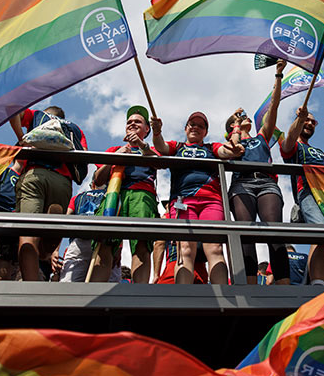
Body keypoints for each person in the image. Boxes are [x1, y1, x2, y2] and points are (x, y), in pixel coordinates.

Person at [151, 111, 244, 284]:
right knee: (184, 249)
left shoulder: (211, 147)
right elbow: (162, 147)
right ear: (186, 128)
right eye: (192, 124)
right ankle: (183, 298)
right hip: (182, 201)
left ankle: (223, 299)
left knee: (215, 249)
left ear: (205, 132)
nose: (195, 127)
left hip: (212, 201)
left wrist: (233, 146)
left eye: (201, 126)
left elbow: (224, 152)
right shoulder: (177, 147)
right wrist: (157, 132)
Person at [226, 59, 290, 284]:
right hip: (241, 183)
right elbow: (230, 150)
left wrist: (278, 76)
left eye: (244, 119)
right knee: (246, 233)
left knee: (275, 232)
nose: (243, 120)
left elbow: (274, 106)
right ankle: (250, 285)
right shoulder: (230, 142)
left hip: (266, 183)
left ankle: (283, 284)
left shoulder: (261, 136)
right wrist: (234, 124)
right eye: (238, 120)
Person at [9, 105, 87, 281]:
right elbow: (83, 159)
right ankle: (49, 242)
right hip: (62, 181)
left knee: (28, 234)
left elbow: (12, 111)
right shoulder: (75, 128)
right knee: (45, 249)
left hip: (35, 173)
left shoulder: (36, 115)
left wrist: (21, 139)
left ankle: (30, 285)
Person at [280, 103, 324, 287]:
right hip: (307, 193)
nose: (309, 123)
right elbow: (287, 144)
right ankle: (315, 284)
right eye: (306, 120)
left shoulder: (318, 152)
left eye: (313, 122)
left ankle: (316, 283)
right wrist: (299, 119)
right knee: (320, 230)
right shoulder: (294, 146)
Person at [91, 106, 158, 283]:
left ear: (146, 129)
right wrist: (115, 157)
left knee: (142, 244)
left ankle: (140, 294)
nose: (132, 124)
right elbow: (98, 180)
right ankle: (96, 290)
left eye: (138, 121)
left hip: (142, 195)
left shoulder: (148, 149)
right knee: (105, 243)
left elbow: (160, 163)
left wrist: (142, 145)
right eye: (129, 122)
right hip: (114, 195)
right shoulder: (114, 148)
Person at [59, 179, 106, 282]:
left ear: (93, 185)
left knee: (69, 284)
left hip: (79, 241)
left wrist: (56, 249)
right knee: (105, 282)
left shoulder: (78, 197)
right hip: (102, 242)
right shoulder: (110, 197)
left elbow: (65, 220)